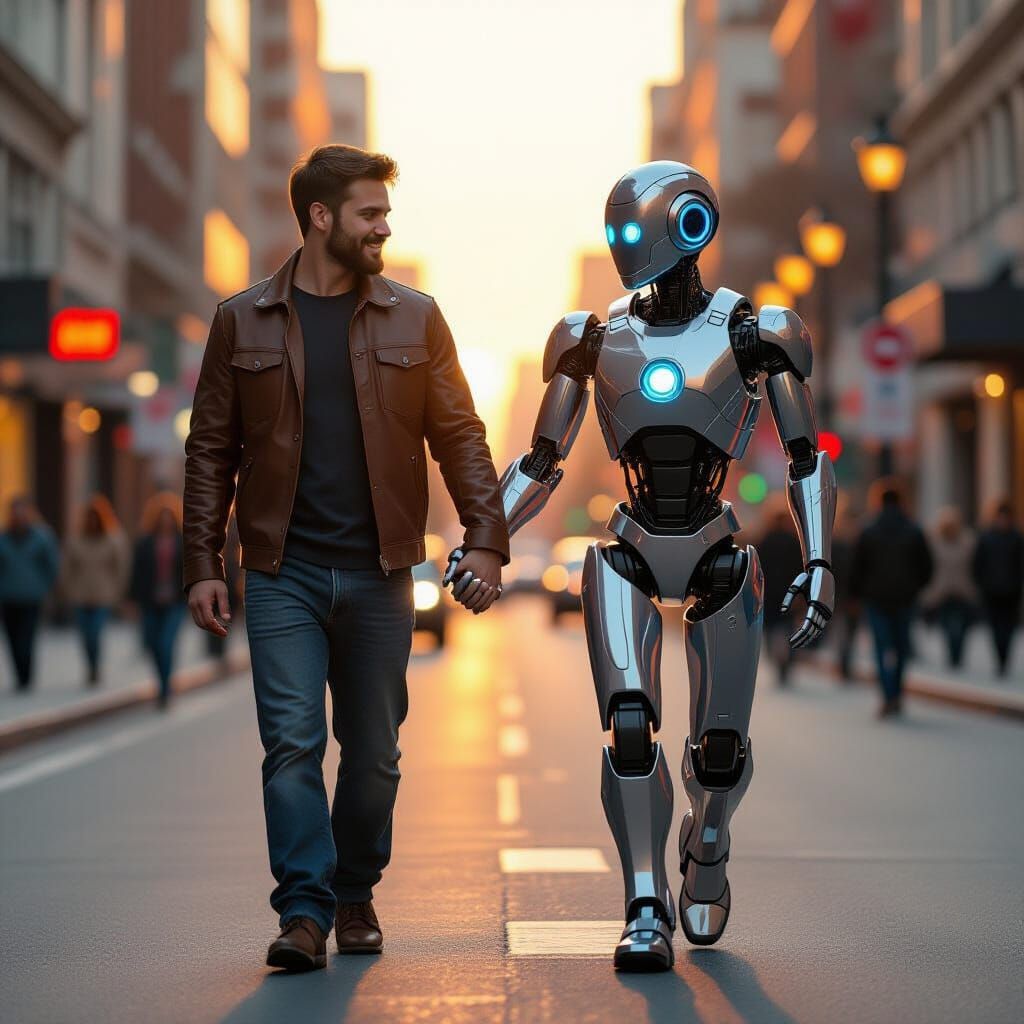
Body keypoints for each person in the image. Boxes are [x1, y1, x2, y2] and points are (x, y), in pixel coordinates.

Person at [183, 143, 509, 973]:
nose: (384, 228)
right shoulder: (241, 319)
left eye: (385, 214)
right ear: (320, 217)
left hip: (381, 571)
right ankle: (303, 911)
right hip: (281, 572)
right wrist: (203, 563)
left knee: (373, 753)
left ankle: (356, 887)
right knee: (291, 744)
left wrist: (486, 536)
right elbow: (209, 451)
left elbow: (460, 435)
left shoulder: (416, 316)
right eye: (369, 213)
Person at [849, 482, 933, 718]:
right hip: (905, 598)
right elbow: (926, 566)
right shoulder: (914, 529)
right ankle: (897, 692)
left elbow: (857, 568)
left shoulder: (867, 529)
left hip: (876, 599)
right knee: (901, 648)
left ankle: (887, 695)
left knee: (881, 648)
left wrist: (856, 595)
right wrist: (916, 587)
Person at [59, 494, 130, 686]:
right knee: (84, 636)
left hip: (103, 596)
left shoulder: (113, 539)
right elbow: (66, 568)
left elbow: (121, 568)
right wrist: (67, 589)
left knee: (95, 634)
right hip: (80, 595)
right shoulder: (75, 540)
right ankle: (90, 665)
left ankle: (95, 667)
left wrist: (117, 591)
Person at [129, 493, 186, 709]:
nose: (165, 522)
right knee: (152, 644)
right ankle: (162, 683)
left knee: (166, 643)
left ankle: (165, 689)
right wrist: (132, 601)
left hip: (175, 601)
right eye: (161, 517)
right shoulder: (145, 542)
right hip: (150, 601)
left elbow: (189, 570)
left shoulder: (182, 542)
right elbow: (136, 572)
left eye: (168, 517)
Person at [0, 495, 59, 692]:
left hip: (32, 597)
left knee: (26, 639)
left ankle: (26, 677)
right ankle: (19, 675)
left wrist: (48, 588)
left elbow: (51, 566)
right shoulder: (3, 538)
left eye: (22, 511)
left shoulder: (42, 537)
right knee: (12, 639)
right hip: (8, 597)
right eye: (15, 512)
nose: (18, 516)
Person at [972, 498, 1024, 677]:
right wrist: (980, 583)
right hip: (991, 590)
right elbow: (978, 564)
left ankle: (1005, 659)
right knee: (995, 628)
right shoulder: (986, 537)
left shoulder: (1017, 538)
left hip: (1011, 591)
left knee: (1008, 628)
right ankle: (999, 659)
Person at [920, 506, 976, 669]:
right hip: (941, 592)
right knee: (947, 627)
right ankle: (952, 656)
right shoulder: (933, 541)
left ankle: (958, 655)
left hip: (963, 590)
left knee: (961, 629)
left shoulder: (968, 541)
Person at [757, 502, 805, 686]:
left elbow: (757, 569)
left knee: (770, 629)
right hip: (789, 593)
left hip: (768, 593)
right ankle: (787, 662)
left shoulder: (763, 541)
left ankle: (775, 658)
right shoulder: (794, 541)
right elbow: (801, 570)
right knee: (789, 629)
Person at [830, 497, 861, 682]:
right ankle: (844, 663)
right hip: (845, 594)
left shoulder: (838, 540)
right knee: (845, 631)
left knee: (847, 631)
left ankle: (845, 663)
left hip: (846, 593)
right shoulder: (842, 541)